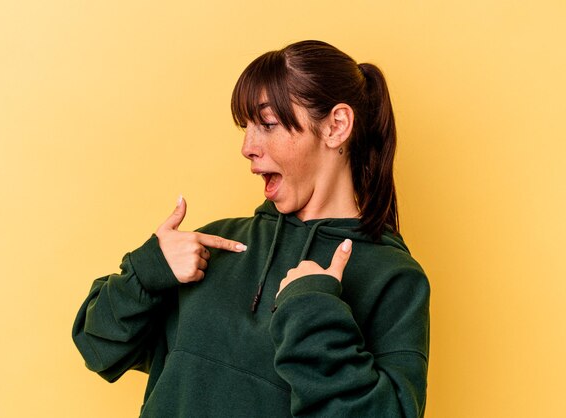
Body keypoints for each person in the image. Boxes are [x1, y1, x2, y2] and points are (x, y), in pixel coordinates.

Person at [73, 40, 430, 417]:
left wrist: (313, 308)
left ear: (336, 127)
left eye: (268, 124)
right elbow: (98, 347)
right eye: (246, 127)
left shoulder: (392, 278)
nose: (247, 147)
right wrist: (148, 272)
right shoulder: (216, 246)